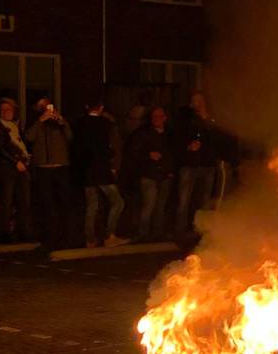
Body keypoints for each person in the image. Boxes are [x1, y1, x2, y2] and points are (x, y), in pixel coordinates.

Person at [74, 98, 126, 248]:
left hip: (86, 171)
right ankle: (110, 235)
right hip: (102, 170)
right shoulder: (106, 124)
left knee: (92, 205)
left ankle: (90, 239)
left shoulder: (80, 124)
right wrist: (112, 164)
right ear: (101, 108)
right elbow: (109, 147)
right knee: (117, 202)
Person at [24, 96, 74, 249]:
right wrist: (40, 121)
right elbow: (29, 137)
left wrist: (62, 121)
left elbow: (70, 137)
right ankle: (50, 237)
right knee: (47, 204)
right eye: (41, 106)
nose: (45, 109)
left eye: (46, 105)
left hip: (60, 166)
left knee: (64, 203)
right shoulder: (36, 122)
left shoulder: (59, 122)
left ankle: (66, 237)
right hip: (43, 168)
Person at [172, 91, 223, 235]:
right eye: (194, 101)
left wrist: (206, 119)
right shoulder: (185, 119)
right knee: (184, 200)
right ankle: (181, 229)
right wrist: (188, 146)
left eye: (200, 101)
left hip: (207, 165)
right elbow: (177, 139)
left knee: (204, 200)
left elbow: (217, 138)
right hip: (189, 165)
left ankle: (201, 229)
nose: (197, 104)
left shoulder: (211, 119)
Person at [126, 106, 174, 242]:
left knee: (160, 207)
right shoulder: (143, 134)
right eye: (154, 116)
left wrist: (170, 170)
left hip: (164, 175)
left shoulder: (169, 135)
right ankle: (143, 234)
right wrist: (148, 155)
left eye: (159, 116)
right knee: (148, 206)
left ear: (164, 118)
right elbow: (133, 152)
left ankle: (158, 233)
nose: (156, 119)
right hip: (149, 174)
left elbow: (173, 153)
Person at [0, 97, 33, 244]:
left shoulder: (15, 127)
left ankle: (24, 231)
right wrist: (15, 161)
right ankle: (5, 232)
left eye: (8, 109)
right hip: (7, 168)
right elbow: (1, 147)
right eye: (3, 110)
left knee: (24, 201)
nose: (6, 112)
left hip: (20, 166)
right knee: (7, 201)